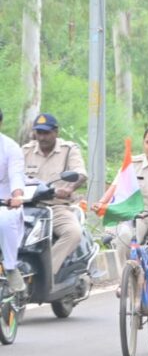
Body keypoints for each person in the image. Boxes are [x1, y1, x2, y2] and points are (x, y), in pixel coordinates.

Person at [96, 127, 148, 338]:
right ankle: (128, 279)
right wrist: (102, 203)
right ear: (143, 143)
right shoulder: (132, 164)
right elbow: (117, 185)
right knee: (123, 236)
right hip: (136, 214)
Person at [22, 113, 88, 275]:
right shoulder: (25, 151)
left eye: (46, 133)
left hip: (56, 207)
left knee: (73, 232)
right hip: (27, 207)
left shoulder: (68, 150)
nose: (42, 137)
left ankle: (46, 273)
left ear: (56, 132)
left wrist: (70, 188)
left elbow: (81, 174)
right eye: (39, 133)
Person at [0, 109, 26, 292]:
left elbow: (16, 175)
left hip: (5, 203)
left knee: (4, 220)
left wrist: (17, 196)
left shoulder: (10, 148)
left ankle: (10, 267)